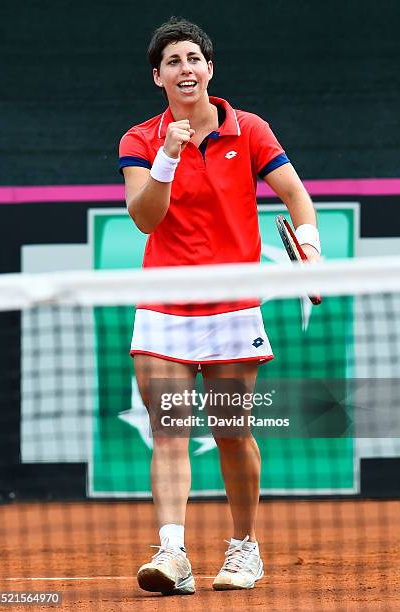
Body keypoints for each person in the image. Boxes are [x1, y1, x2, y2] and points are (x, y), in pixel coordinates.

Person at [119, 16, 321, 595]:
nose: (186, 69)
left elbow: (295, 196)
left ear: (209, 70)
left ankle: (243, 548)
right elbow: (145, 217)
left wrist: (307, 245)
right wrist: (167, 158)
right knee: (171, 431)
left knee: (232, 431)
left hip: (233, 309)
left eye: (194, 59)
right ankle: (173, 552)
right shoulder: (139, 139)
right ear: (157, 76)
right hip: (164, 309)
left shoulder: (251, 129)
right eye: (173, 62)